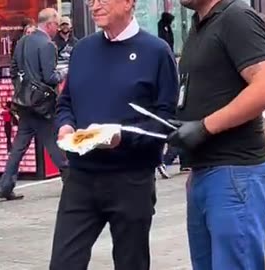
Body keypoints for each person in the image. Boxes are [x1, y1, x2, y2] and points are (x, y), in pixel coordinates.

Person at [50, 0, 178, 268]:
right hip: (81, 178)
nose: (94, 6)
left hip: (131, 179)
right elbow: (66, 102)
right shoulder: (83, 50)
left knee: (131, 262)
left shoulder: (156, 52)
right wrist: (65, 126)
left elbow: (165, 122)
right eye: (91, 1)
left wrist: (122, 137)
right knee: (64, 263)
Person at [166, 0, 265, 268]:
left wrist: (204, 126)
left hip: (235, 174)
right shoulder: (199, 26)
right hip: (206, 173)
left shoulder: (236, 17)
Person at [0, 8, 69, 201]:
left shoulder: (22, 42)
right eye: (57, 24)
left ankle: (5, 185)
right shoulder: (47, 45)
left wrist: (21, 89)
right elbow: (50, 77)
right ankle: (71, 182)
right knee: (53, 141)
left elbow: (13, 70)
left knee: (19, 145)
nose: (57, 29)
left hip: (24, 102)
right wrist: (65, 72)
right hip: (42, 104)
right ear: (50, 23)